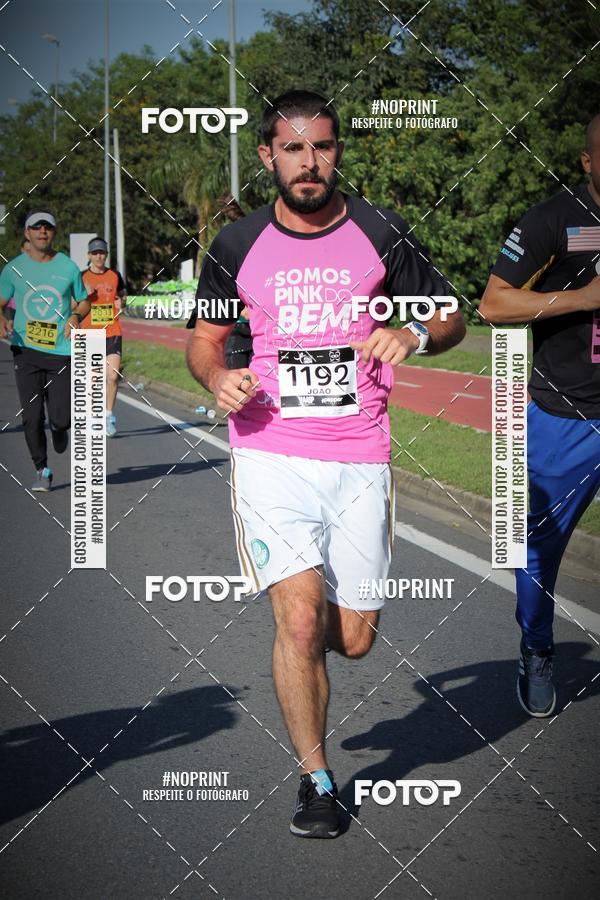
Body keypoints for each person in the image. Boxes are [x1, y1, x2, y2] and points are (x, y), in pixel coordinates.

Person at [187, 90, 465, 837]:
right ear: (268, 156)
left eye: (323, 148)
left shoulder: (382, 232)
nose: (310, 163)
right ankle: (317, 781)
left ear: (338, 151)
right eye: (294, 149)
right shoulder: (237, 245)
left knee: (354, 637)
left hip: (360, 456)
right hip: (270, 450)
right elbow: (206, 342)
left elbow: (450, 315)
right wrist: (218, 379)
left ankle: (316, 663)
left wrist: (412, 331)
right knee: (301, 619)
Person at [480, 114, 600, 718]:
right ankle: (537, 648)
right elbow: (493, 304)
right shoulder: (556, 219)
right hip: (567, 416)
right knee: (534, 546)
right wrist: (583, 297)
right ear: (586, 161)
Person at [0, 209, 92, 491]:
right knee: (31, 416)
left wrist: (75, 317)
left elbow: (84, 302)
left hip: (60, 350)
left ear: (53, 233)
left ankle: (60, 430)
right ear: (27, 232)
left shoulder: (67, 267)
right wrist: (3, 318)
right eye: (36, 227)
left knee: (61, 418)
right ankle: (43, 469)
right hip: (25, 351)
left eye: (48, 227)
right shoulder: (13, 268)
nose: (43, 231)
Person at [79, 237, 127, 437]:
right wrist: (85, 297)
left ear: (106, 255)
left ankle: (108, 416)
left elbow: (123, 296)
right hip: (90, 333)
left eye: (102, 253)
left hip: (112, 331)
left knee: (113, 376)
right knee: (94, 379)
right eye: (95, 253)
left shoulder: (115, 275)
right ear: (89, 255)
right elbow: (73, 306)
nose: (99, 256)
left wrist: (121, 304)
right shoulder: (81, 277)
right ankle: (93, 417)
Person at [4, 238, 31, 329]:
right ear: (22, 250)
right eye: (27, 250)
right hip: (15, 310)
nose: (30, 253)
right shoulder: (13, 267)